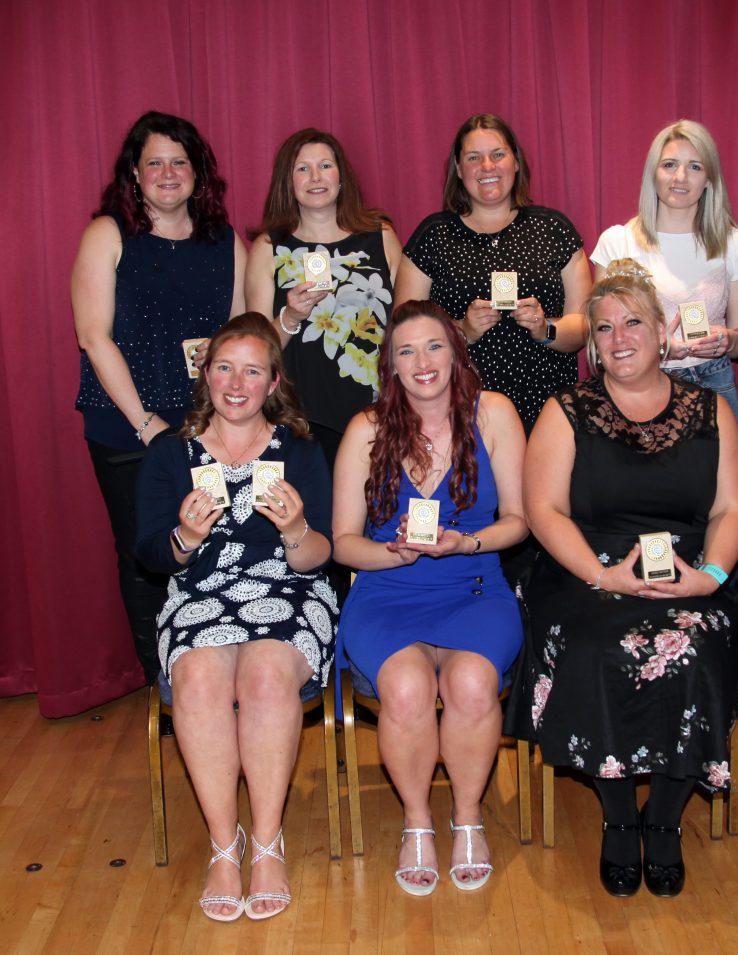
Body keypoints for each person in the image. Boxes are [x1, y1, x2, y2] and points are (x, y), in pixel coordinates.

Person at [511, 260, 738, 898]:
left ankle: (665, 818)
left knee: (697, 645)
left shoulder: (710, 410)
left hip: (690, 573)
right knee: (596, 647)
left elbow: (732, 510)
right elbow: (544, 511)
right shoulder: (567, 410)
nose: (619, 338)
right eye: (604, 327)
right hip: (585, 569)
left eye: (633, 323)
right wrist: (603, 575)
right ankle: (618, 816)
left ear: (663, 330)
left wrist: (709, 578)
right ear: (591, 342)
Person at [136, 313, 338, 922]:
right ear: (206, 374)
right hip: (200, 592)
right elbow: (150, 554)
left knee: (267, 678)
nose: (236, 383)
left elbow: (319, 557)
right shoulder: (170, 453)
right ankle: (225, 848)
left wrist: (296, 528)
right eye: (224, 368)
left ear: (274, 382)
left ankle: (268, 843)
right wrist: (185, 536)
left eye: (252, 371)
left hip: (289, 589)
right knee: (198, 679)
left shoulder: (300, 450)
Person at [333, 300, 527, 895]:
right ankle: (417, 822)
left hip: (475, 584)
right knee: (407, 687)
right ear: (390, 364)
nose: (423, 361)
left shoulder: (494, 413)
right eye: (407, 351)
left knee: (471, 685)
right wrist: (393, 552)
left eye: (434, 346)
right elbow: (343, 543)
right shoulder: (365, 428)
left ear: (456, 351)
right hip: (388, 590)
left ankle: (467, 818)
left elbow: (519, 521)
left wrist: (466, 542)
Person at [73, 111, 246, 684]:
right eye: (155, 163)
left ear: (199, 173)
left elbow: (242, 334)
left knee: (217, 544)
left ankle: (215, 669)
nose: (168, 174)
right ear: (135, 173)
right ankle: (164, 683)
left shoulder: (225, 242)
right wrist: (146, 424)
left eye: (180, 162)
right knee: (146, 553)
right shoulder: (108, 234)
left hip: (208, 426)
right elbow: (93, 336)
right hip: (127, 428)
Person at [394, 112, 592, 433]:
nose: (487, 166)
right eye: (474, 157)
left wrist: (545, 329)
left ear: (516, 162)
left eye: (498, 154)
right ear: (459, 169)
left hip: (547, 407)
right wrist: (461, 331)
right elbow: (402, 329)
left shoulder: (554, 230)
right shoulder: (433, 236)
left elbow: (583, 326)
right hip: (459, 408)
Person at [245, 128, 402, 468]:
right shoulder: (269, 248)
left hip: (376, 411)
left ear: (341, 177)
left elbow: (405, 324)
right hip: (301, 420)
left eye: (325, 166)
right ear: (288, 181)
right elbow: (254, 351)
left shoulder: (381, 236)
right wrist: (291, 316)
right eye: (302, 168)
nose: (315, 177)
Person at [592, 119, 738, 425]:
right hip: (637, 384)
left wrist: (730, 340)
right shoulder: (617, 241)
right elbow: (598, 332)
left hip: (714, 383)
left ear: (709, 179)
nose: (680, 177)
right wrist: (659, 348)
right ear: (653, 173)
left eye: (695, 166)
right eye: (669, 164)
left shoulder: (735, 243)